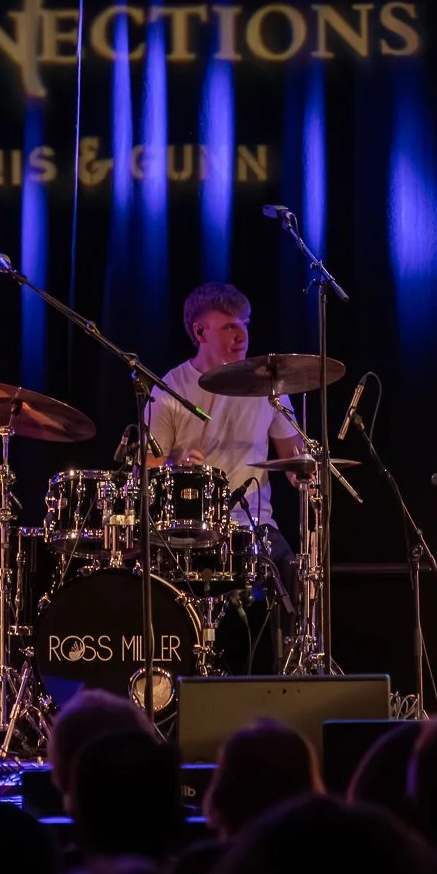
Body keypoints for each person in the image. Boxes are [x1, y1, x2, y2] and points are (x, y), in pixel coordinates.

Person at [144, 283, 306, 672]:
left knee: (295, 578)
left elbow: (294, 458)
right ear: (200, 333)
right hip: (190, 531)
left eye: (245, 324)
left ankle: (284, 685)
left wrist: (307, 467)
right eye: (230, 326)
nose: (242, 335)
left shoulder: (270, 386)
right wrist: (174, 463)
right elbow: (144, 468)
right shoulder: (169, 390)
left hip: (256, 526)